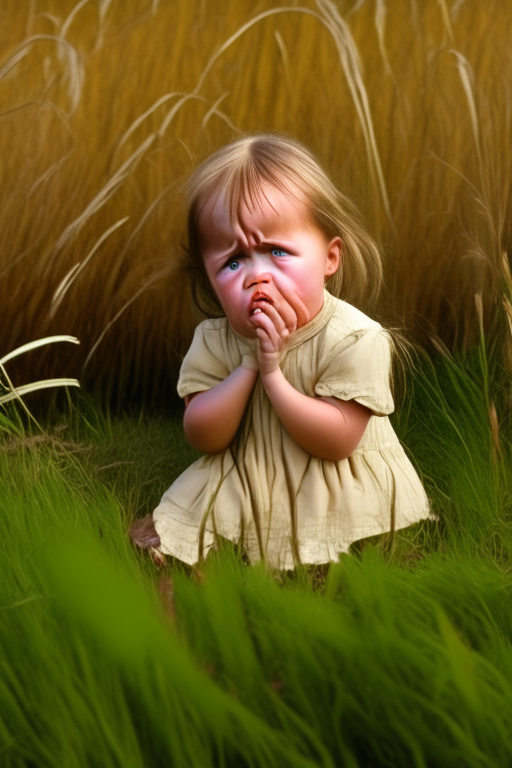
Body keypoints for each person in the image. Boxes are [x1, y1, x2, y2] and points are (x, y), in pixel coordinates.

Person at [130, 134, 432, 569]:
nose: (257, 277)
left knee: (338, 550)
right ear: (211, 280)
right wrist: (251, 363)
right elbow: (203, 435)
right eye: (233, 262)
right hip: (247, 471)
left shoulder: (355, 338)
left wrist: (274, 376)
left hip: (334, 481)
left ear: (330, 258)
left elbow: (337, 441)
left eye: (276, 252)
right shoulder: (215, 341)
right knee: (187, 534)